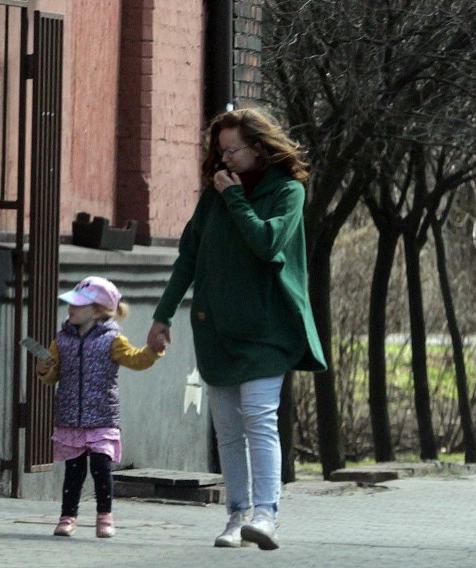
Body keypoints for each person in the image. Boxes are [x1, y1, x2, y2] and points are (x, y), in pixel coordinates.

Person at [146, 108, 327, 550]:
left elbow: (267, 245)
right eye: (219, 150)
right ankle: (236, 515)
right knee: (227, 429)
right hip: (216, 328)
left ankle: (266, 515)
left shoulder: (287, 192)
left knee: (259, 420)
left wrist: (236, 200)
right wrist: (162, 315)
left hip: (267, 329)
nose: (225, 159)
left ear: (259, 148)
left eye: (233, 149)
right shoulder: (214, 196)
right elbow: (188, 256)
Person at [36, 276, 163, 539]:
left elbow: (136, 360)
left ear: (96, 311)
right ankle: (67, 517)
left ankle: (105, 516)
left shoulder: (112, 340)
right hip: (71, 417)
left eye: (78, 305)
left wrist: (153, 350)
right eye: (71, 304)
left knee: (101, 469)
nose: (71, 309)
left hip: (102, 416)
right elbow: (52, 375)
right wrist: (44, 371)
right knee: (74, 471)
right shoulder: (61, 340)